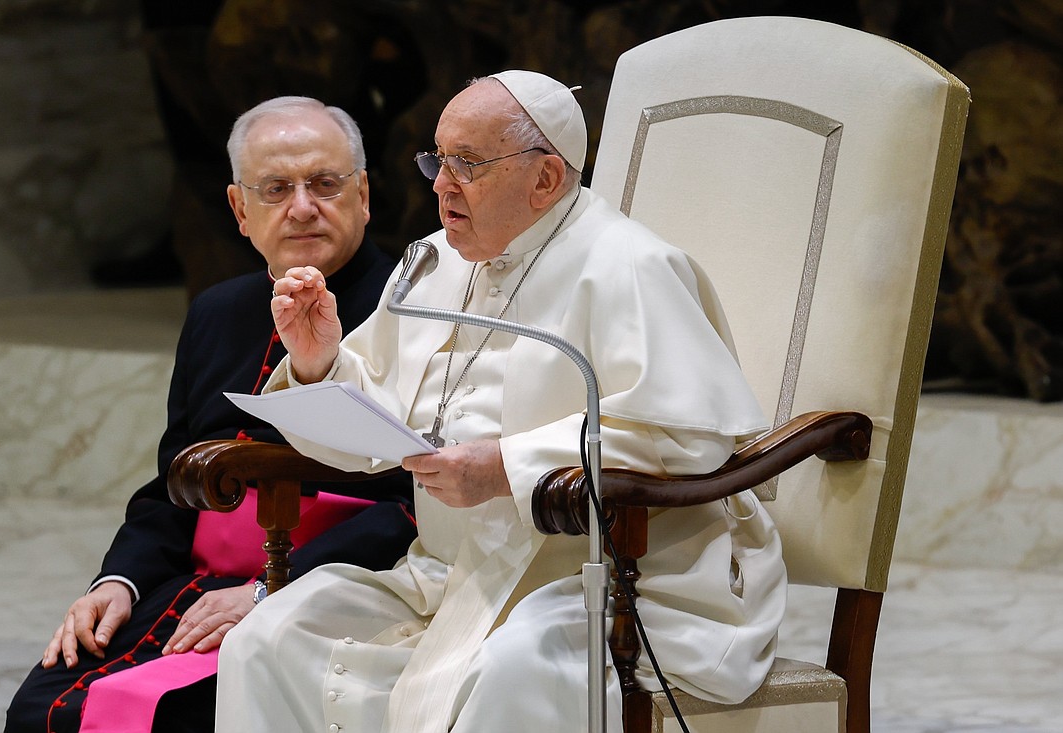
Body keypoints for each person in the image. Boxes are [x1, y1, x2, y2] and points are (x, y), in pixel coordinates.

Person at [217, 71, 787, 732]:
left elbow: (687, 438)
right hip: (448, 574)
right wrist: (320, 361)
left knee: (515, 666)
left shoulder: (628, 267)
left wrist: (508, 466)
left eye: (467, 165)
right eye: (437, 160)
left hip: (608, 582)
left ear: (545, 179)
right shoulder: (432, 264)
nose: (439, 185)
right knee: (268, 637)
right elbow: (374, 426)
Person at [4, 97, 417, 733]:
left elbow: (417, 504)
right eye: (276, 188)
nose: (302, 206)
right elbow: (174, 483)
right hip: (195, 590)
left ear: (363, 195)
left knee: (180, 715)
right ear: (239, 210)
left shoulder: (416, 312)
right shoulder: (217, 312)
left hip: (335, 587)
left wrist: (273, 588)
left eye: (326, 184)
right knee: (44, 709)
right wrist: (119, 583)